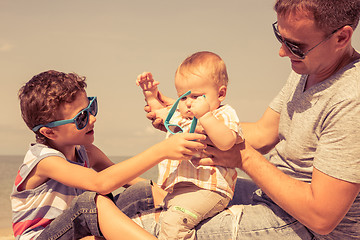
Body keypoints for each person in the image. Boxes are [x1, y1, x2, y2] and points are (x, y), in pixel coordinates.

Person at [140, 0, 360, 239]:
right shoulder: (311, 67)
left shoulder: (351, 99)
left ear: (341, 38)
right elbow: (263, 133)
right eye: (280, 37)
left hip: (305, 226)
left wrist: (242, 156)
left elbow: (322, 217)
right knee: (139, 199)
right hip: (272, 199)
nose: (282, 52)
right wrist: (187, 115)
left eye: (296, 46)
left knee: (145, 228)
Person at [11, 70, 206, 240]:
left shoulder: (86, 152)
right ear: (49, 132)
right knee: (93, 202)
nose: (93, 118)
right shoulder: (44, 160)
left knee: (143, 190)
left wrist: (164, 192)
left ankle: (191, 215)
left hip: (76, 230)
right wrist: (161, 151)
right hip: (44, 237)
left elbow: (122, 176)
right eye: (81, 117)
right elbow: (101, 183)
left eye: (91, 107)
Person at [136, 51, 243, 239]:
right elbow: (160, 112)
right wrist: (151, 96)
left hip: (209, 189)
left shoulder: (222, 115)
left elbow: (226, 142)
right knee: (162, 222)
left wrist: (206, 116)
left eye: (196, 96)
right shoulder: (182, 116)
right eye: (183, 97)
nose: (188, 104)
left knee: (173, 223)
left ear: (221, 93)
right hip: (179, 190)